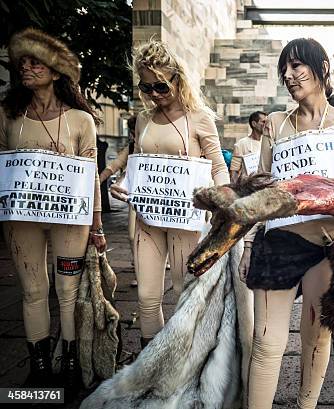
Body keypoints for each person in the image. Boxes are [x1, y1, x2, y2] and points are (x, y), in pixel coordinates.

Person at [241, 38, 334, 408]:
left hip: (327, 246)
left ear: (322, 67)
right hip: (278, 242)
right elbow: (259, 189)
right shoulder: (276, 124)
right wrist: (249, 243)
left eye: (297, 66)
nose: (289, 75)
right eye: (285, 68)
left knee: (317, 338)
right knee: (266, 341)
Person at [0, 28, 106, 394]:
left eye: (35, 61)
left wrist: (97, 225)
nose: (26, 68)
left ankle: (72, 363)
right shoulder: (8, 115)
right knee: (32, 290)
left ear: (57, 71)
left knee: (68, 290)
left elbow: (91, 175)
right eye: (22, 62)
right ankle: (40, 369)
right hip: (21, 219)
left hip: (70, 219)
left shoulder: (80, 120)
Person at [110, 40, 230, 348]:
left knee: (183, 292)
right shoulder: (143, 119)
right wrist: (124, 183)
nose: (154, 95)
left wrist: (223, 202)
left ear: (178, 79)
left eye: (161, 87)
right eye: (147, 87)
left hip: (186, 219)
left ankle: (184, 362)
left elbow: (218, 166)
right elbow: (136, 166)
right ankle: (151, 365)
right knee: (147, 296)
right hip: (147, 219)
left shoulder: (199, 117)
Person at [100, 115, 138, 287]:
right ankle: (140, 271)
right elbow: (113, 165)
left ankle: (159, 260)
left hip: (158, 196)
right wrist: (97, 181)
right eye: (131, 131)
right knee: (132, 235)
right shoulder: (131, 147)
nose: (132, 135)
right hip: (136, 197)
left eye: (135, 130)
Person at [230, 110, 267, 182]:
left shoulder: (269, 142)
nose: (266, 125)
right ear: (254, 124)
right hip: (248, 186)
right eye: (263, 122)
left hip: (267, 185)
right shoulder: (241, 144)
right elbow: (234, 171)